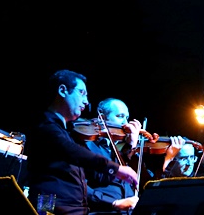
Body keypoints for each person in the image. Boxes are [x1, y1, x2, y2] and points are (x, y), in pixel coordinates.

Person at [24, 70, 138, 215]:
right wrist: (115, 168)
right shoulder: (45, 125)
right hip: (50, 201)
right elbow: (71, 150)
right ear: (63, 90)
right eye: (82, 93)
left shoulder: (67, 130)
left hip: (75, 207)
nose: (86, 101)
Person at [84, 98, 145, 214]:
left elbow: (125, 175)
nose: (125, 123)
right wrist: (113, 203)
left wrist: (131, 145)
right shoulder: (88, 145)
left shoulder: (115, 149)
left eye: (127, 117)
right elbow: (81, 186)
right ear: (102, 117)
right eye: (120, 116)